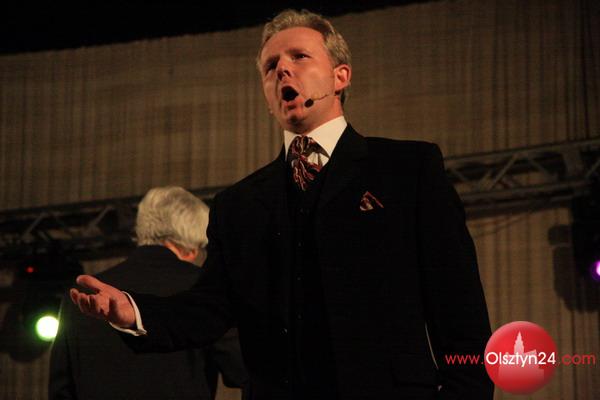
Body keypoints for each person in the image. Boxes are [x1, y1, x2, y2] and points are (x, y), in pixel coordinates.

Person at [70, 9, 494, 400]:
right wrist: (132, 311)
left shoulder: (407, 169)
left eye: (300, 57)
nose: (283, 70)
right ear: (268, 95)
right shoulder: (238, 205)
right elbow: (209, 308)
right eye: (270, 67)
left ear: (341, 76)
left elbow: (459, 308)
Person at [49, 186, 247, 400]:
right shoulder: (204, 287)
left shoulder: (85, 294)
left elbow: (61, 390)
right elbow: (244, 369)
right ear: (192, 248)